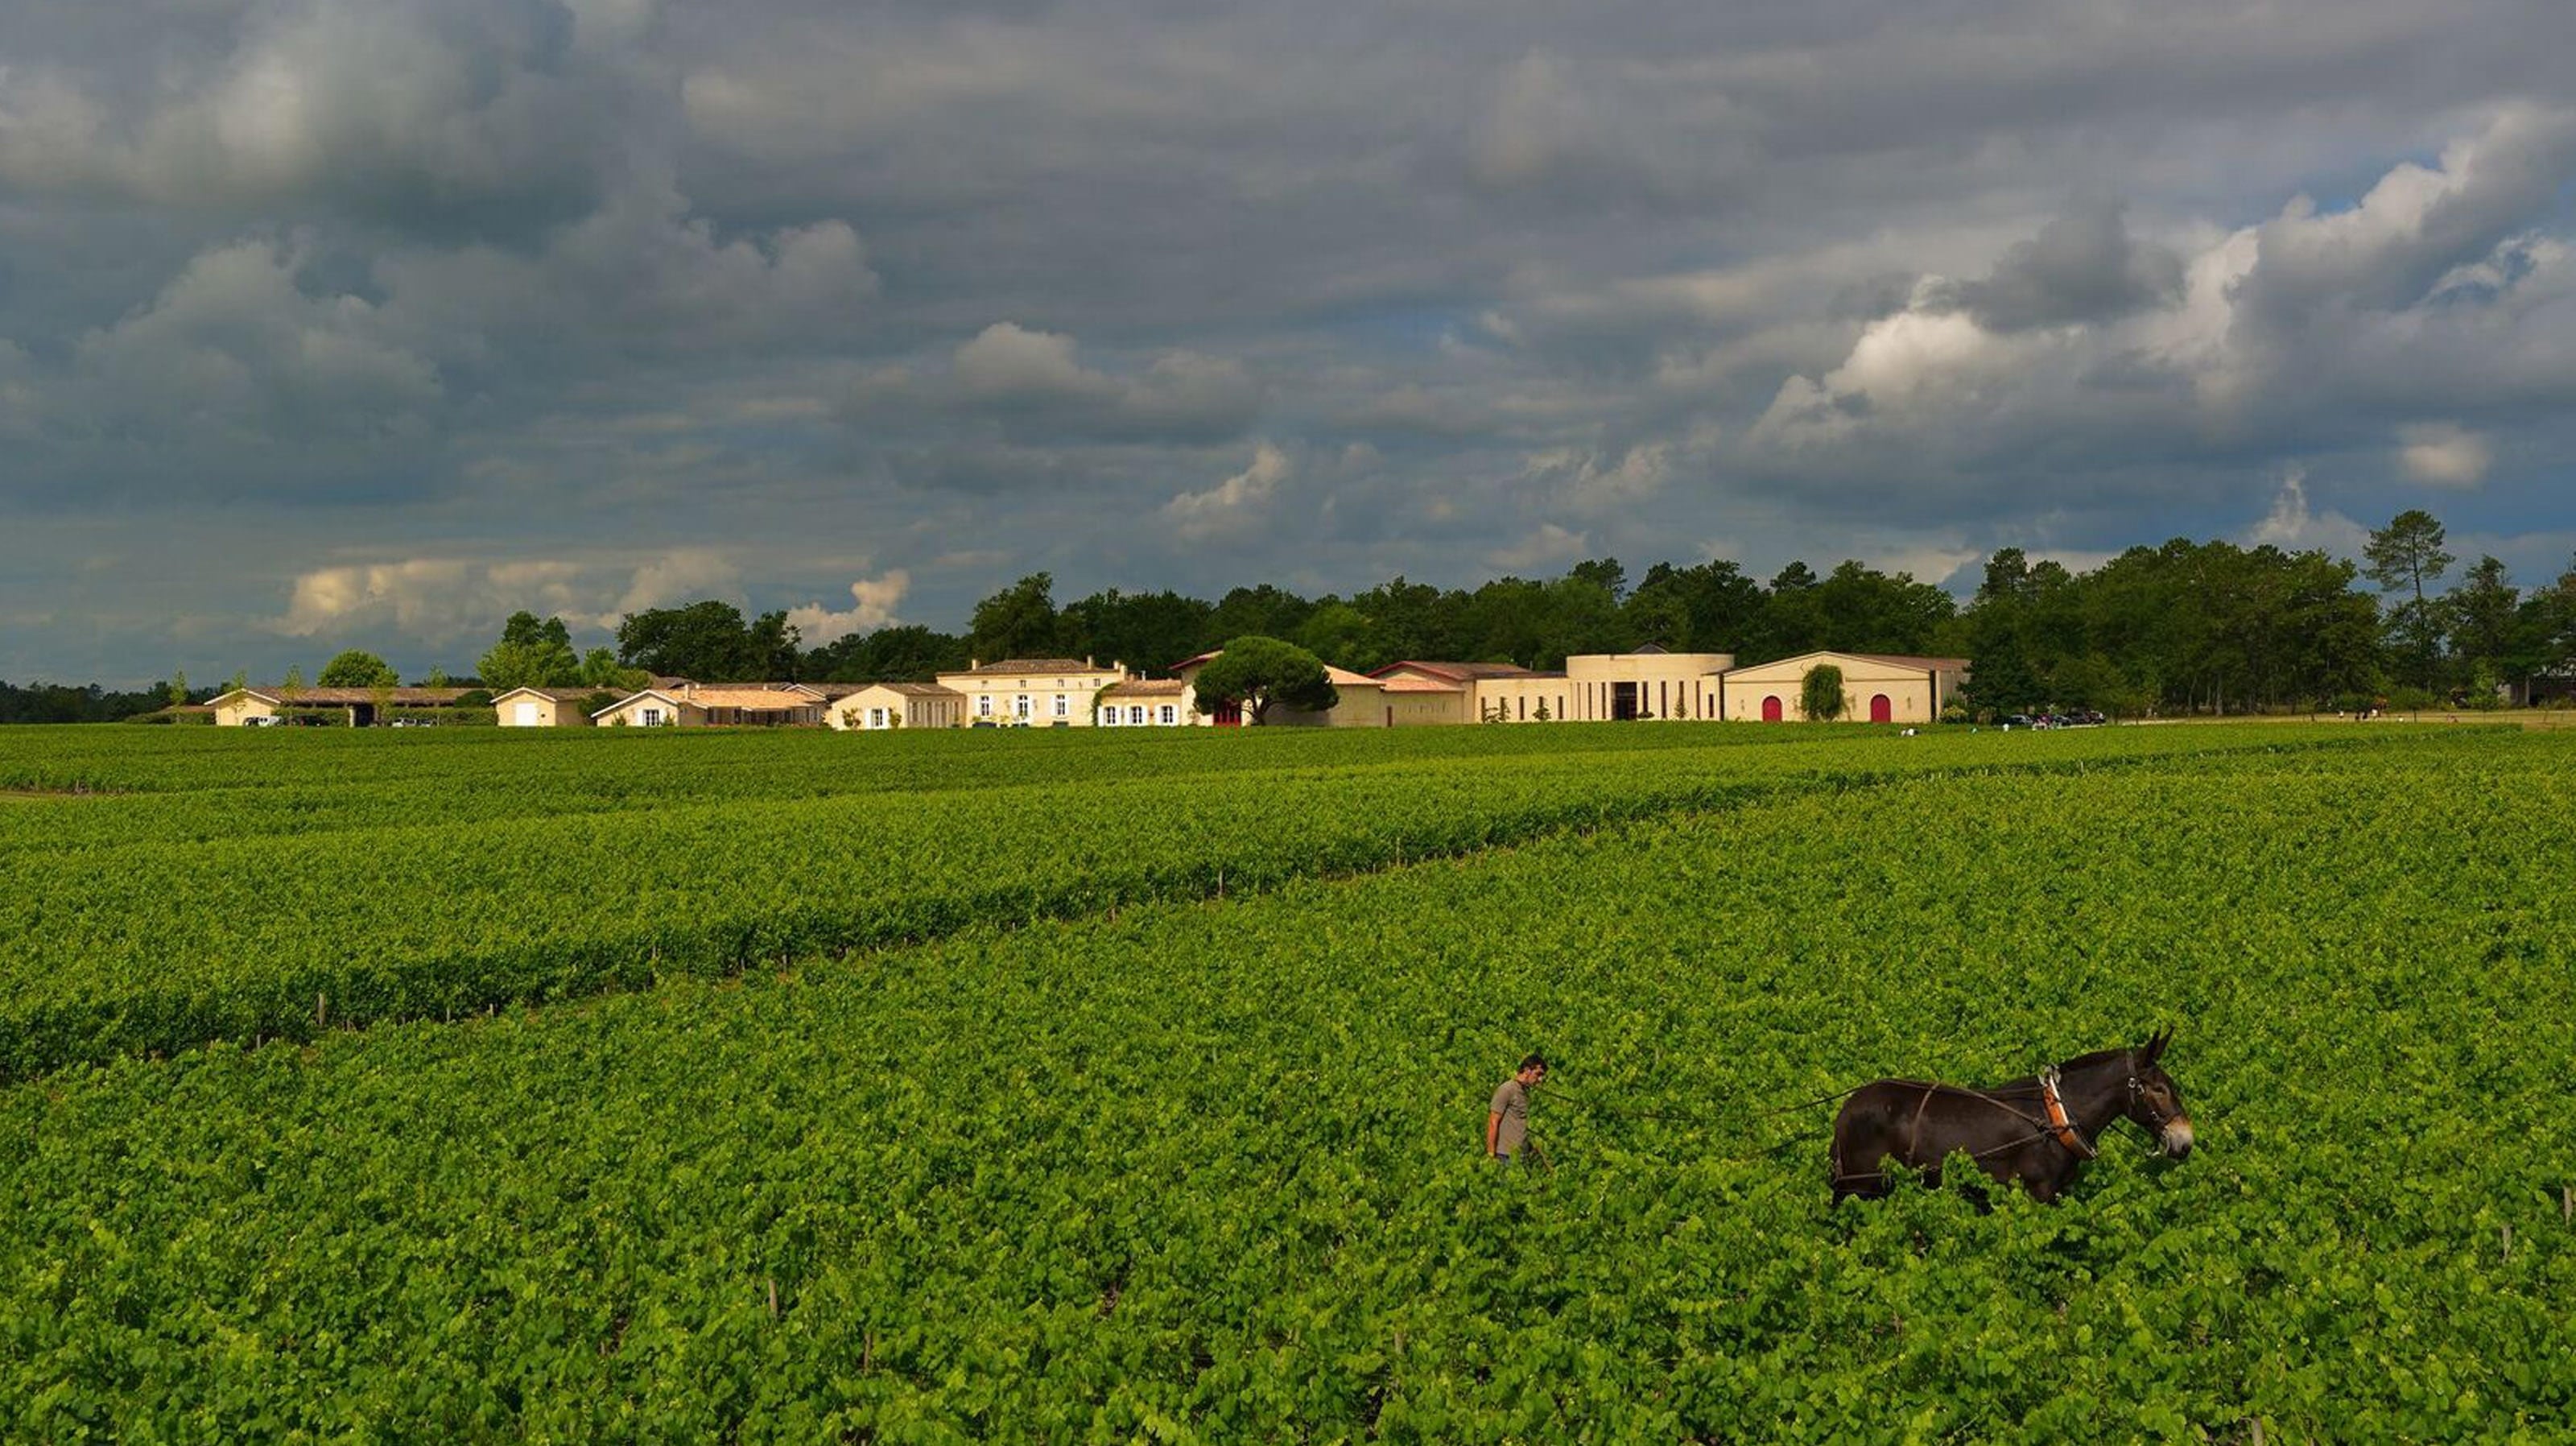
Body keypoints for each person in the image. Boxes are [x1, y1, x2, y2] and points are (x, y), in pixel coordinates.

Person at [1487, 1054, 1546, 1163]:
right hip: (1506, 1156)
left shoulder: (1525, 1091)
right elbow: (1493, 1121)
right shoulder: (1507, 1089)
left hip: (1522, 1155)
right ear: (1527, 1070)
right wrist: (1491, 1154)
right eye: (1538, 1074)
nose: (1540, 1079)